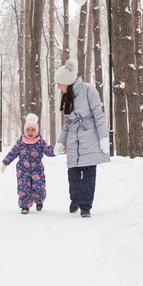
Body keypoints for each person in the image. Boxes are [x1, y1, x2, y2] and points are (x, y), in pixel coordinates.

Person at [53, 59, 110, 218]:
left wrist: (103, 138)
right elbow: (67, 123)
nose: (58, 86)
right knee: (73, 174)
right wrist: (60, 142)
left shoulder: (88, 90)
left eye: (59, 83)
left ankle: (86, 206)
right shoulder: (67, 96)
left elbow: (98, 116)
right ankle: (75, 199)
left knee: (89, 175)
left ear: (66, 82)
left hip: (89, 138)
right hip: (73, 139)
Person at [1, 113, 55, 214]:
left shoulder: (40, 142)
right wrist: (5, 162)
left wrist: (56, 151)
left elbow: (48, 151)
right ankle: (25, 206)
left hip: (37, 169)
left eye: (33, 130)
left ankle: (39, 201)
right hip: (23, 170)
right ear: (25, 130)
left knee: (39, 187)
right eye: (28, 130)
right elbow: (12, 153)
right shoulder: (20, 142)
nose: (30, 132)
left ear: (37, 131)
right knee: (24, 188)